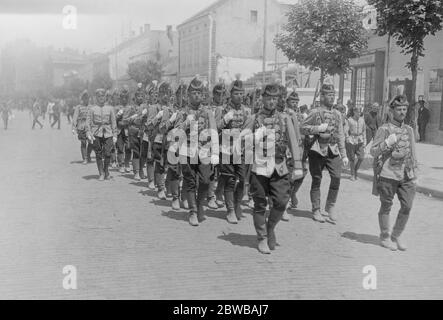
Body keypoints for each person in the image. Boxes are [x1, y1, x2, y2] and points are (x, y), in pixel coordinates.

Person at [243, 83, 300, 254]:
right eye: (268, 98)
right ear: (262, 99)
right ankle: (262, 238)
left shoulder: (285, 118)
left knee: (282, 202)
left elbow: (293, 142)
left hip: (279, 165)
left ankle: (270, 228)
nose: (271, 102)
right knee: (260, 203)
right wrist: (254, 136)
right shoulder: (254, 118)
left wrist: (297, 165)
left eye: (274, 98)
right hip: (259, 165)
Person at [370, 95, 417, 251]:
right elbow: (374, 152)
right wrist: (387, 142)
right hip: (388, 173)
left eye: (404, 109)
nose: (402, 112)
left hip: (406, 174)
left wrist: (415, 173)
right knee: (386, 205)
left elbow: (413, 153)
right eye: (399, 109)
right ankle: (385, 236)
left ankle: (396, 235)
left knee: (407, 206)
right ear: (391, 111)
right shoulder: (384, 129)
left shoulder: (409, 129)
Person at [301, 84, 348, 224]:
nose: (332, 97)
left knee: (337, 177)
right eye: (329, 94)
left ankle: (330, 207)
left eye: (333, 94)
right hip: (317, 149)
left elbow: (340, 135)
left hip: (333, 150)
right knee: (317, 179)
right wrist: (316, 129)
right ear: (322, 96)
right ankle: (316, 209)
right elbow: (302, 127)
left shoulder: (338, 114)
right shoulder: (315, 112)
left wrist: (344, 154)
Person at [176, 76, 217, 227]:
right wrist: (186, 122)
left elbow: (213, 132)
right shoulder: (182, 112)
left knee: (206, 181)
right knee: (191, 181)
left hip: (204, 151)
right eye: (193, 93)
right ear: (188, 95)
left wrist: (215, 153)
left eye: (199, 93)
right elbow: (175, 132)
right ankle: (193, 211)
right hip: (187, 151)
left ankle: (200, 205)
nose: (196, 95)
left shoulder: (208, 112)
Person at [215, 78, 251, 224]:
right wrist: (224, 121)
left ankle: (236, 205)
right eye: (236, 93)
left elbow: (250, 128)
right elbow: (214, 128)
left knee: (242, 180)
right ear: (231, 94)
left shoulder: (247, 111)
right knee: (230, 180)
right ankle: (230, 210)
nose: (239, 96)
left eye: (241, 93)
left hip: (241, 149)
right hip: (226, 149)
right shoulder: (222, 109)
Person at [86, 88, 118, 181]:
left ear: (105, 97)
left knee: (108, 153)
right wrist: (88, 133)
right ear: (96, 97)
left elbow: (113, 122)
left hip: (108, 133)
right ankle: (101, 172)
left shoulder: (110, 108)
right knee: (98, 153)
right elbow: (88, 122)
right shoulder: (92, 109)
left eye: (103, 96)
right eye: (99, 96)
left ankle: (106, 170)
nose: (101, 98)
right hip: (96, 133)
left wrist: (115, 135)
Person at [345, 106, 367, 181]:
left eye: (360, 112)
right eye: (358, 112)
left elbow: (364, 131)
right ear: (354, 112)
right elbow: (346, 131)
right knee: (352, 159)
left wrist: (365, 140)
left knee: (361, 157)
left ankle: (355, 170)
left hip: (360, 140)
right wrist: (347, 138)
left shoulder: (362, 120)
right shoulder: (349, 120)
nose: (359, 113)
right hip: (352, 140)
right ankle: (352, 175)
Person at [114, 88, 133, 173]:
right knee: (120, 148)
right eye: (122, 97)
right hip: (119, 131)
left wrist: (128, 120)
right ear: (120, 98)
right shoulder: (117, 108)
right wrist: (117, 115)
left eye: (126, 97)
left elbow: (134, 118)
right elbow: (113, 119)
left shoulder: (131, 108)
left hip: (127, 130)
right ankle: (121, 165)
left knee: (128, 147)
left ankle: (127, 163)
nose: (124, 99)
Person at [72, 90, 94, 164]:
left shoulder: (92, 107)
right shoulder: (79, 107)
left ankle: (88, 155)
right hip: (81, 127)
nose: (86, 99)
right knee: (83, 143)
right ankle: (85, 158)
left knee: (91, 143)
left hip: (90, 127)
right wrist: (73, 128)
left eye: (87, 98)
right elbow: (75, 117)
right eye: (84, 98)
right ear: (82, 99)